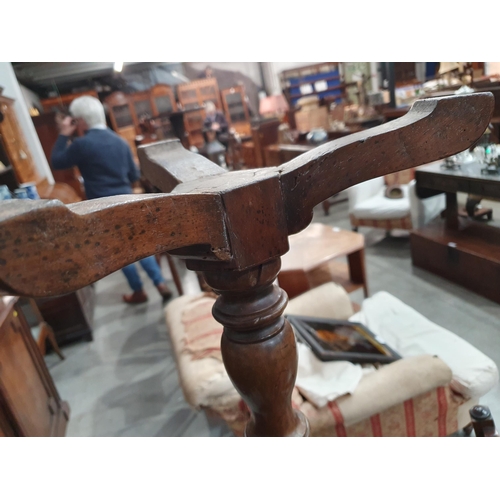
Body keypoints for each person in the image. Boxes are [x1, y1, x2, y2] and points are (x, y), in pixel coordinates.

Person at [51, 96, 173, 305]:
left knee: (119, 250)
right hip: (126, 199)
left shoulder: (81, 144)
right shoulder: (119, 141)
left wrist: (64, 133)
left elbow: (57, 160)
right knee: (139, 244)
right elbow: (134, 175)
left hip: (101, 206)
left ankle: (138, 291)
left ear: (79, 120)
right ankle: (160, 283)